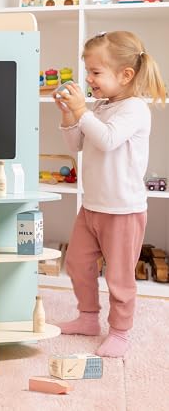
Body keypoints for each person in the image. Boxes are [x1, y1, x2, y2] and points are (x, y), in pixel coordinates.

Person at [53, 30, 166, 358]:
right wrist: (69, 114)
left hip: (122, 210)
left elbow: (107, 140)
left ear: (125, 75)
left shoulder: (135, 109)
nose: (89, 79)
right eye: (88, 71)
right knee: (77, 263)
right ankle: (88, 317)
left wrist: (82, 112)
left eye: (95, 72)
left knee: (119, 276)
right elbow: (77, 144)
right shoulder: (100, 106)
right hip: (92, 206)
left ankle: (119, 330)